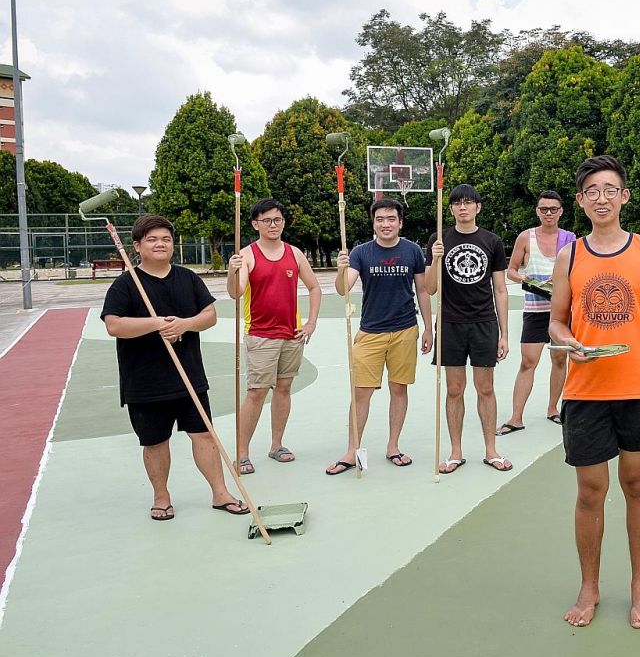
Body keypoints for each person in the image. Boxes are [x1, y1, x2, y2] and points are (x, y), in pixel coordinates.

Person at [549, 154, 640, 631]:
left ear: (625, 196)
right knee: (590, 491)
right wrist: (567, 343)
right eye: (592, 192)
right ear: (580, 202)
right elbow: (557, 321)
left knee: (637, 484)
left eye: (610, 189)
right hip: (585, 390)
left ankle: (639, 587)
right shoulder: (571, 256)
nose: (602, 198)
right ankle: (589, 585)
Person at [101, 214, 249, 520]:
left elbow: (209, 315)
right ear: (138, 245)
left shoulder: (187, 278)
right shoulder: (126, 284)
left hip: (189, 377)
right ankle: (162, 496)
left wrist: (185, 324)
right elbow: (114, 325)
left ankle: (220, 493)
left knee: (204, 435)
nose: (160, 244)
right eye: (152, 239)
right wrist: (156, 323)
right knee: (155, 442)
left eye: (166, 239)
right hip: (144, 381)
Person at [326, 198, 433, 475]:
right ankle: (351, 452)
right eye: (380, 219)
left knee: (399, 388)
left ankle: (393, 446)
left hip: (405, 329)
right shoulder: (361, 253)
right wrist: (340, 269)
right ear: (373, 223)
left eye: (391, 219)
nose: (386, 224)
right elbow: (343, 289)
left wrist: (429, 328)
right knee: (360, 392)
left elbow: (422, 291)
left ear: (400, 222)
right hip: (370, 332)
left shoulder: (412, 252)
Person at [227, 198, 322, 474]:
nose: (273, 225)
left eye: (277, 220)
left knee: (283, 389)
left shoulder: (294, 253)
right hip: (261, 335)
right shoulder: (247, 255)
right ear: (255, 224)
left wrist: (311, 323)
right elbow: (236, 292)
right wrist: (233, 273)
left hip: (292, 334)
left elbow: (314, 288)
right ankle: (241, 453)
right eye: (266, 220)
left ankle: (276, 444)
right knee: (256, 392)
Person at [426, 184, 511, 473]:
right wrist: (436, 258)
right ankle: (456, 452)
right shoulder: (439, 239)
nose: (462, 208)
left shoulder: (492, 241)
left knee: (485, 388)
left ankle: (491, 450)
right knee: (454, 389)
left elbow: (500, 289)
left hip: (484, 322)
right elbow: (430, 288)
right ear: (450, 209)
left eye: (468, 203)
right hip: (450, 323)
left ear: (478, 207)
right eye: (457, 203)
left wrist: (504, 333)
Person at [501, 191, 577, 434]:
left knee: (559, 359)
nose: (548, 213)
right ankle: (515, 417)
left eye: (553, 209)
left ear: (561, 212)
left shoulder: (570, 239)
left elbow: (577, 271)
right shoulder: (526, 237)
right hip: (535, 309)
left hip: (562, 310)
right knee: (528, 361)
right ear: (537, 211)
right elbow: (511, 270)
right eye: (544, 209)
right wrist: (525, 278)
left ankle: (553, 409)